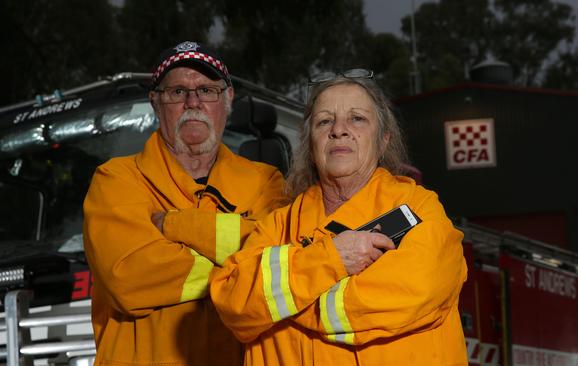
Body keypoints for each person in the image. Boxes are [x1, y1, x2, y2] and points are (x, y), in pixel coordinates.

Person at [210, 69, 468, 365]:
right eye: (324, 121)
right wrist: (331, 258)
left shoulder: (421, 210)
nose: (339, 130)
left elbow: (415, 287)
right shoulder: (278, 226)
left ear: (383, 140)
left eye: (357, 118)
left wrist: (285, 303)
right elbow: (232, 301)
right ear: (310, 145)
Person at [83, 41, 285, 365]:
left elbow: (280, 260)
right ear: (156, 102)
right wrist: (241, 273)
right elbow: (129, 278)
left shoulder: (266, 182)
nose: (193, 102)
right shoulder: (116, 180)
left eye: (207, 90)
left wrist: (175, 226)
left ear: (228, 100)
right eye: (177, 92)